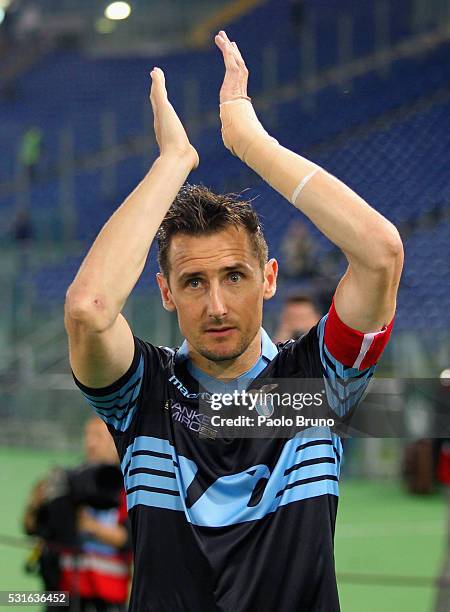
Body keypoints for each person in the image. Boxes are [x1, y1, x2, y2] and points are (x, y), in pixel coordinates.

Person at [65, 31, 403, 612]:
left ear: (269, 278)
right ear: (166, 293)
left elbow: (381, 254)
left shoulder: (316, 385)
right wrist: (173, 163)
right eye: (194, 282)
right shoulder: (142, 393)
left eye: (235, 277)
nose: (216, 305)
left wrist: (250, 142)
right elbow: (90, 311)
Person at [24, 417, 131, 611]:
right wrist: (35, 503)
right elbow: (32, 528)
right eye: (87, 435)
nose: (90, 442)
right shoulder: (68, 481)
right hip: (62, 595)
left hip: (107, 596)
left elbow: (128, 539)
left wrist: (88, 525)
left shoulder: (129, 485)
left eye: (98, 436)